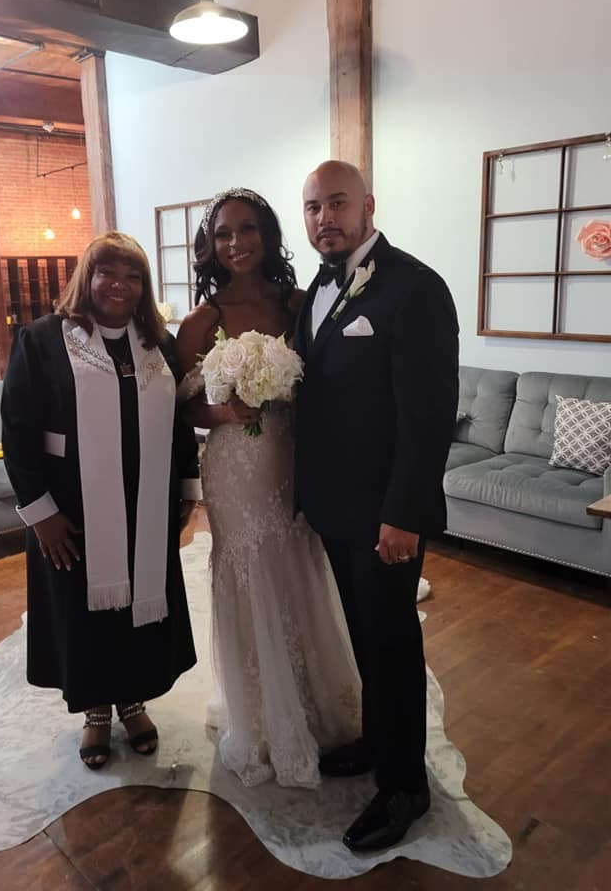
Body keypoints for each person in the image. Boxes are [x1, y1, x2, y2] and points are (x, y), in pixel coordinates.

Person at [294, 161, 459, 851]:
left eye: (337, 203)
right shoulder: (316, 288)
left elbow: (428, 416)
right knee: (364, 637)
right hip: (333, 506)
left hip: (386, 513)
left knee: (391, 642)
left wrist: (405, 514)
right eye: (312, 207)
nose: (324, 218)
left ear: (368, 206)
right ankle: (378, 739)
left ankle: (404, 787)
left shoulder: (414, 287)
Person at [176, 188, 361, 789]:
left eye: (247, 229)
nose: (236, 243)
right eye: (223, 234)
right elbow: (182, 406)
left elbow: (326, 383)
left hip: (295, 456)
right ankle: (260, 715)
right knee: (249, 567)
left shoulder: (297, 303)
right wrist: (224, 412)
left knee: (299, 561)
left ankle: (312, 697)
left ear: (268, 235)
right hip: (235, 464)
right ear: (211, 246)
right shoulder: (203, 320)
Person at [1, 231, 200, 770]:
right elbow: (17, 430)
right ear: (86, 277)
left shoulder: (158, 344)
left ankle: (132, 701)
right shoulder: (43, 340)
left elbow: (179, 421)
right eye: (107, 271)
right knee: (86, 614)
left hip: (147, 502)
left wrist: (188, 486)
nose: (120, 284)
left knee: (137, 609)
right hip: (72, 510)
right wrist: (40, 513)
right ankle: (95, 710)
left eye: (133, 275)